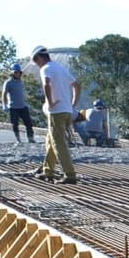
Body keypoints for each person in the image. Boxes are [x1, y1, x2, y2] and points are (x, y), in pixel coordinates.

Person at [31, 45, 79, 183]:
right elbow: (77, 85)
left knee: (59, 143)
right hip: (67, 111)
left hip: (56, 112)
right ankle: (48, 171)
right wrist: (73, 104)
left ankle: (70, 175)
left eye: (36, 61)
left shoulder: (46, 69)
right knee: (50, 140)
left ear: (39, 58)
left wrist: (50, 103)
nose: (37, 65)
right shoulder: (61, 68)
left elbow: (46, 84)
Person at [2, 62, 35, 142]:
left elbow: (21, 94)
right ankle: (18, 139)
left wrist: (26, 102)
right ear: (12, 73)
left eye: (19, 72)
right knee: (15, 124)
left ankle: (30, 138)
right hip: (13, 107)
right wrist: (4, 105)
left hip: (23, 106)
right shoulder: (8, 83)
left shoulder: (21, 82)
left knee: (28, 123)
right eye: (16, 72)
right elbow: (4, 94)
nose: (18, 74)